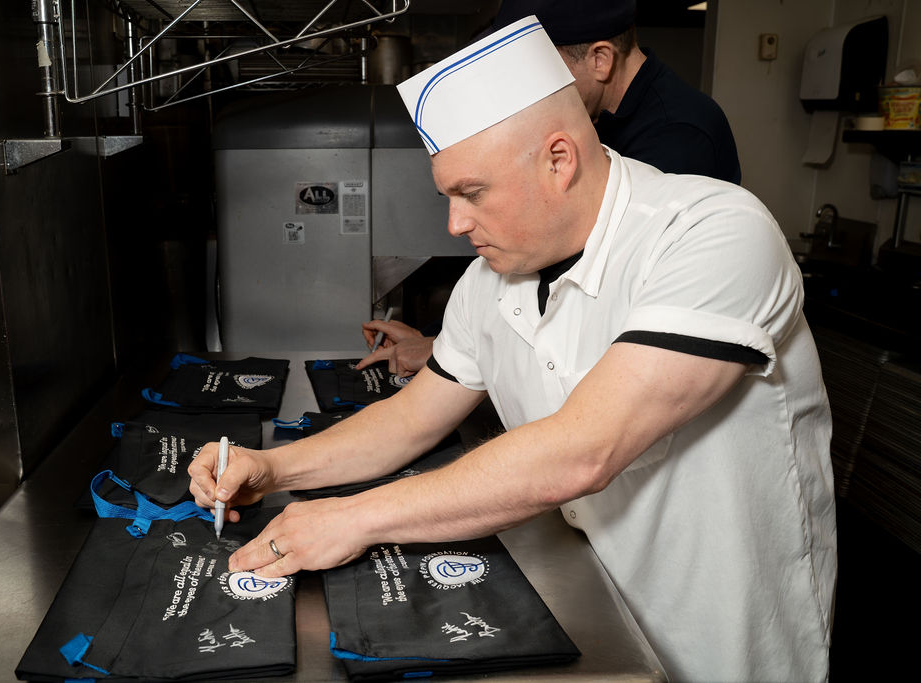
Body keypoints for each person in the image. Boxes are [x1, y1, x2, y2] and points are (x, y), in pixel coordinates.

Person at [190, 16, 835, 682]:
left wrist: (353, 519)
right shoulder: (487, 282)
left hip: (723, 629)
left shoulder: (713, 233)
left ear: (559, 159)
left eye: (472, 194)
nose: (455, 223)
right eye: (448, 196)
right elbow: (411, 419)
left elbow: (583, 450)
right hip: (592, 609)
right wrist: (272, 468)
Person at [357, 0, 742, 376]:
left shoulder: (679, 136)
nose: (518, 86)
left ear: (600, 59)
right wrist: (450, 343)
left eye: (533, 65)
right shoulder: (596, 115)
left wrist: (449, 349)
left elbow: (603, 298)